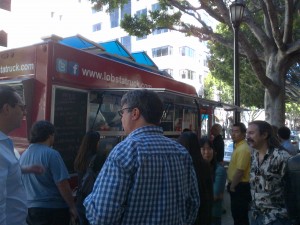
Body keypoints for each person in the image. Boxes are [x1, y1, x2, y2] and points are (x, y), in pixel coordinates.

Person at [84, 89, 200, 225]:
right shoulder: (181, 152)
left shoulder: (124, 152)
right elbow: (193, 204)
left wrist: (88, 201)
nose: (121, 118)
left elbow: (102, 216)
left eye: (122, 112)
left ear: (134, 113)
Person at [0, 84, 44, 225]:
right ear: (7, 109)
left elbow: (6, 173)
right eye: (22, 107)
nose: (24, 113)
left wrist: (25, 169)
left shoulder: (5, 143)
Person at [20, 120, 78, 225]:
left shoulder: (23, 155)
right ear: (50, 135)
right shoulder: (52, 154)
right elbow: (62, 184)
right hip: (54, 210)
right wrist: (72, 206)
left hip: (31, 210)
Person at [247, 120, 292, 225]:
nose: (247, 137)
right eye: (247, 133)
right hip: (256, 216)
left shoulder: (282, 157)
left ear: (264, 135)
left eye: (251, 133)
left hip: (276, 218)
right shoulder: (254, 156)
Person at [178, 132, 213, 225]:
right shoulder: (204, 165)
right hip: (204, 210)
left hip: (184, 213)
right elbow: (210, 191)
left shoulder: (180, 165)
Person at [74, 130, 107, 225]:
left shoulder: (79, 157)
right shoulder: (98, 158)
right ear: (95, 143)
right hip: (93, 199)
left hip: (80, 198)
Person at [227, 122, 251, 225]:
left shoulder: (243, 149)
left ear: (243, 134)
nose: (233, 134)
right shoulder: (238, 146)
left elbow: (240, 171)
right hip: (238, 186)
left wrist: (232, 187)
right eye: (232, 131)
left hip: (240, 186)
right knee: (237, 215)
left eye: (236, 131)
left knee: (240, 217)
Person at [200, 138, 227, 225]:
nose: (207, 152)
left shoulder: (219, 170)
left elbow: (214, 196)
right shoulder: (196, 169)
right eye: (203, 149)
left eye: (209, 149)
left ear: (214, 151)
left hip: (213, 214)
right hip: (199, 214)